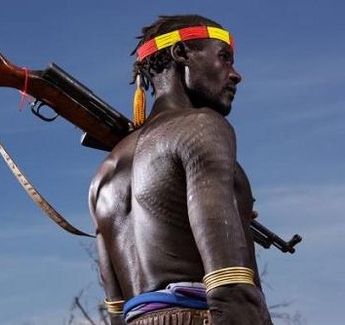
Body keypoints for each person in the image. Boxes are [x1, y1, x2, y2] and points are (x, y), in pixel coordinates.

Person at [89, 15, 273, 325]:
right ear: (181, 54)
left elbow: (116, 309)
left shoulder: (104, 173)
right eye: (224, 58)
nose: (235, 74)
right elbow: (228, 280)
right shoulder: (202, 127)